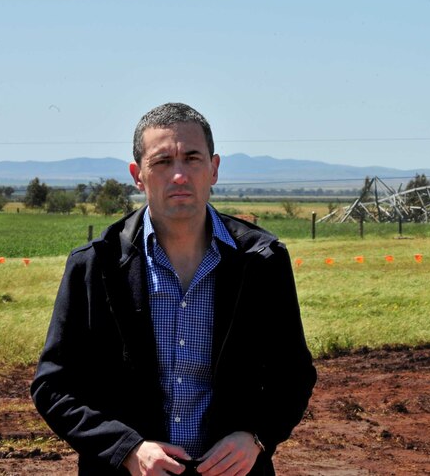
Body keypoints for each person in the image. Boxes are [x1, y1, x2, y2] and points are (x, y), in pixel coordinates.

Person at [31, 102, 317, 476]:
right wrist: (127, 448)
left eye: (192, 158)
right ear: (138, 175)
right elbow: (53, 386)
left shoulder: (261, 262)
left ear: (213, 168)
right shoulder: (96, 265)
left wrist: (257, 435)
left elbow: (293, 374)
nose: (179, 175)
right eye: (162, 162)